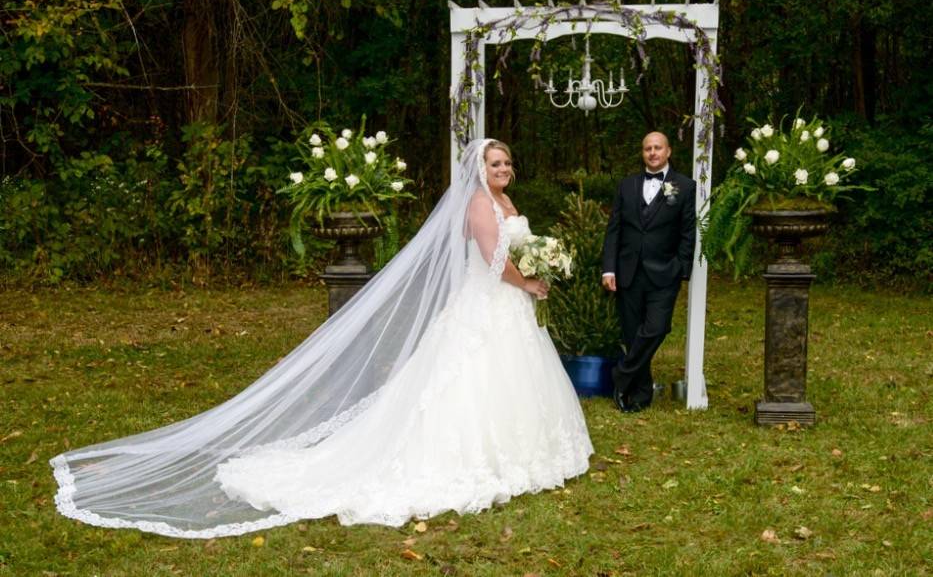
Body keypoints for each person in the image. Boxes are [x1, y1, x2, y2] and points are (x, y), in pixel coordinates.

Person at [50, 138, 593, 538]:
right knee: (467, 385)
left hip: (509, 307)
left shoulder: (505, 203)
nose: (503, 169)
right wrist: (529, 281)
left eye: (506, 163)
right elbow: (493, 260)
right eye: (494, 164)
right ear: (479, 170)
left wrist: (532, 272)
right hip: (490, 304)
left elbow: (512, 250)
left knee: (507, 383)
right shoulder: (478, 205)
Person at [601, 132, 696, 413]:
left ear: (668, 151)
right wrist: (609, 268)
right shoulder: (627, 186)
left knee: (657, 327)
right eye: (647, 149)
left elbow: (688, 232)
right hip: (628, 271)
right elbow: (614, 230)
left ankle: (622, 373)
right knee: (632, 334)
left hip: (665, 272)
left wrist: (682, 268)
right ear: (642, 154)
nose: (652, 152)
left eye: (658, 148)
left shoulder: (685, 186)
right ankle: (639, 394)